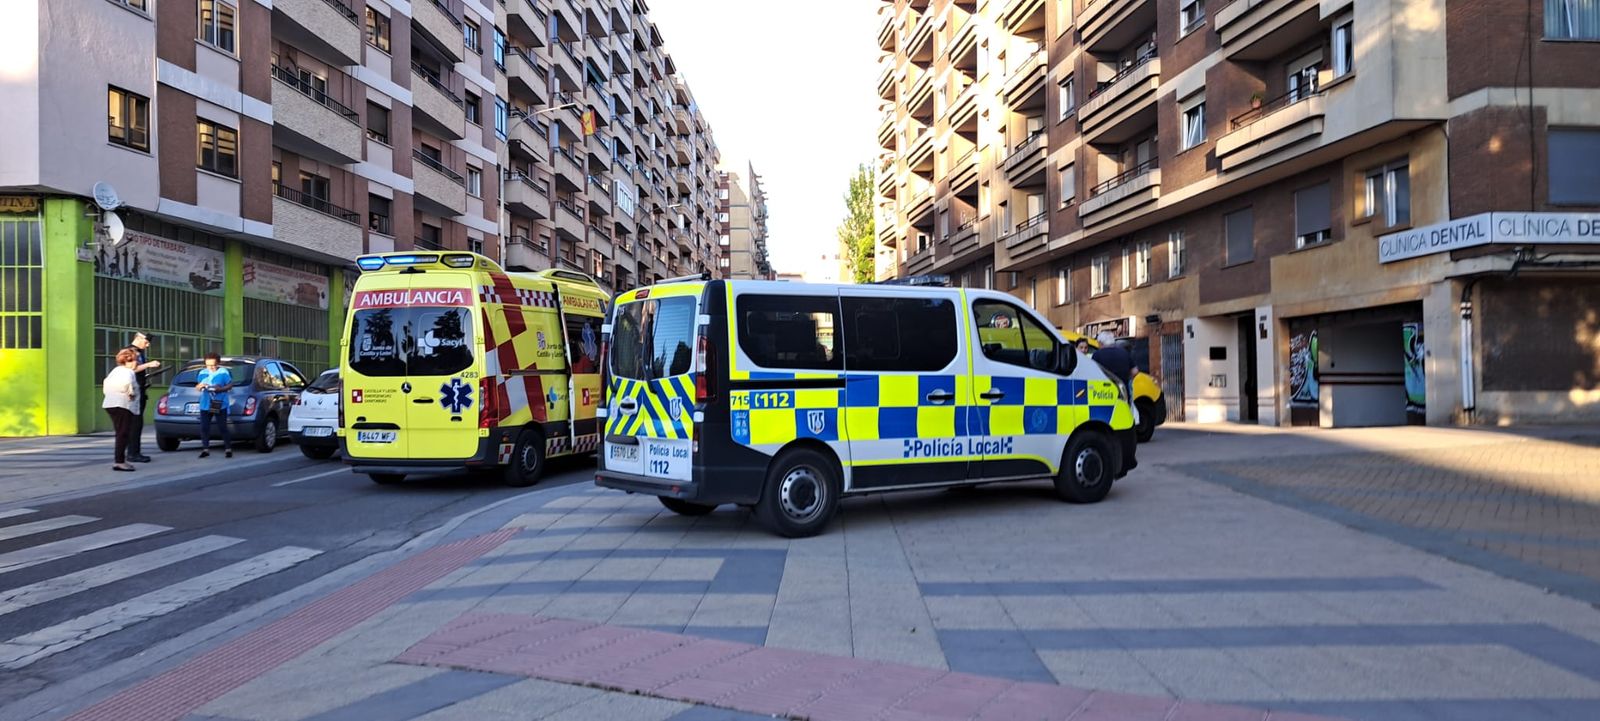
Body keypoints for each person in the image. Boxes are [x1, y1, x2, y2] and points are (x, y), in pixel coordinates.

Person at [122, 332, 161, 462]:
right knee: (134, 423)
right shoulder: (130, 351)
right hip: (133, 393)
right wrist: (149, 365)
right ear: (138, 338)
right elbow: (131, 368)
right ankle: (133, 453)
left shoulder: (139, 352)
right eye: (146, 342)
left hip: (139, 390)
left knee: (137, 424)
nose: (148, 345)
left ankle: (134, 451)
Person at [102, 349, 141, 472]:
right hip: (122, 404)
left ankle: (121, 460)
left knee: (121, 432)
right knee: (123, 433)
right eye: (136, 360)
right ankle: (119, 462)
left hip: (110, 403)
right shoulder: (128, 372)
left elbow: (106, 385)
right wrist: (131, 392)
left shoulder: (115, 371)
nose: (137, 363)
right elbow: (127, 384)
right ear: (129, 360)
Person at [195, 352, 234, 459]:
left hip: (218, 403)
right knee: (204, 427)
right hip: (206, 403)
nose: (211, 367)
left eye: (213, 365)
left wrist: (220, 389)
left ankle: (228, 449)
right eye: (208, 365)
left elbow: (230, 385)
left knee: (222, 426)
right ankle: (205, 449)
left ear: (218, 363)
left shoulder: (223, 372)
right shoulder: (202, 373)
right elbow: (198, 386)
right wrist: (200, 386)